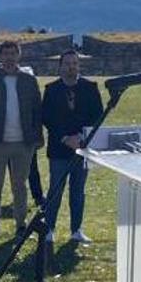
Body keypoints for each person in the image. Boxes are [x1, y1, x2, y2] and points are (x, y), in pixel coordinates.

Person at [0, 41, 42, 239]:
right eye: (6, 54)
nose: (9, 57)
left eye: (13, 53)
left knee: (20, 185)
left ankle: (21, 224)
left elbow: (37, 110)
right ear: (0, 56)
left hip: (23, 143)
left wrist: (37, 137)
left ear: (18, 55)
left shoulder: (29, 81)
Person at [41, 49, 103, 245]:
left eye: (75, 63)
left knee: (78, 190)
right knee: (55, 190)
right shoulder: (51, 90)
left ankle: (76, 230)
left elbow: (97, 116)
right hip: (59, 149)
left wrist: (81, 137)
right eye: (67, 63)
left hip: (83, 147)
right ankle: (49, 228)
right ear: (60, 66)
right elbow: (48, 118)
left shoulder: (90, 87)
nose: (71, 67)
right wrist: (64, 138)